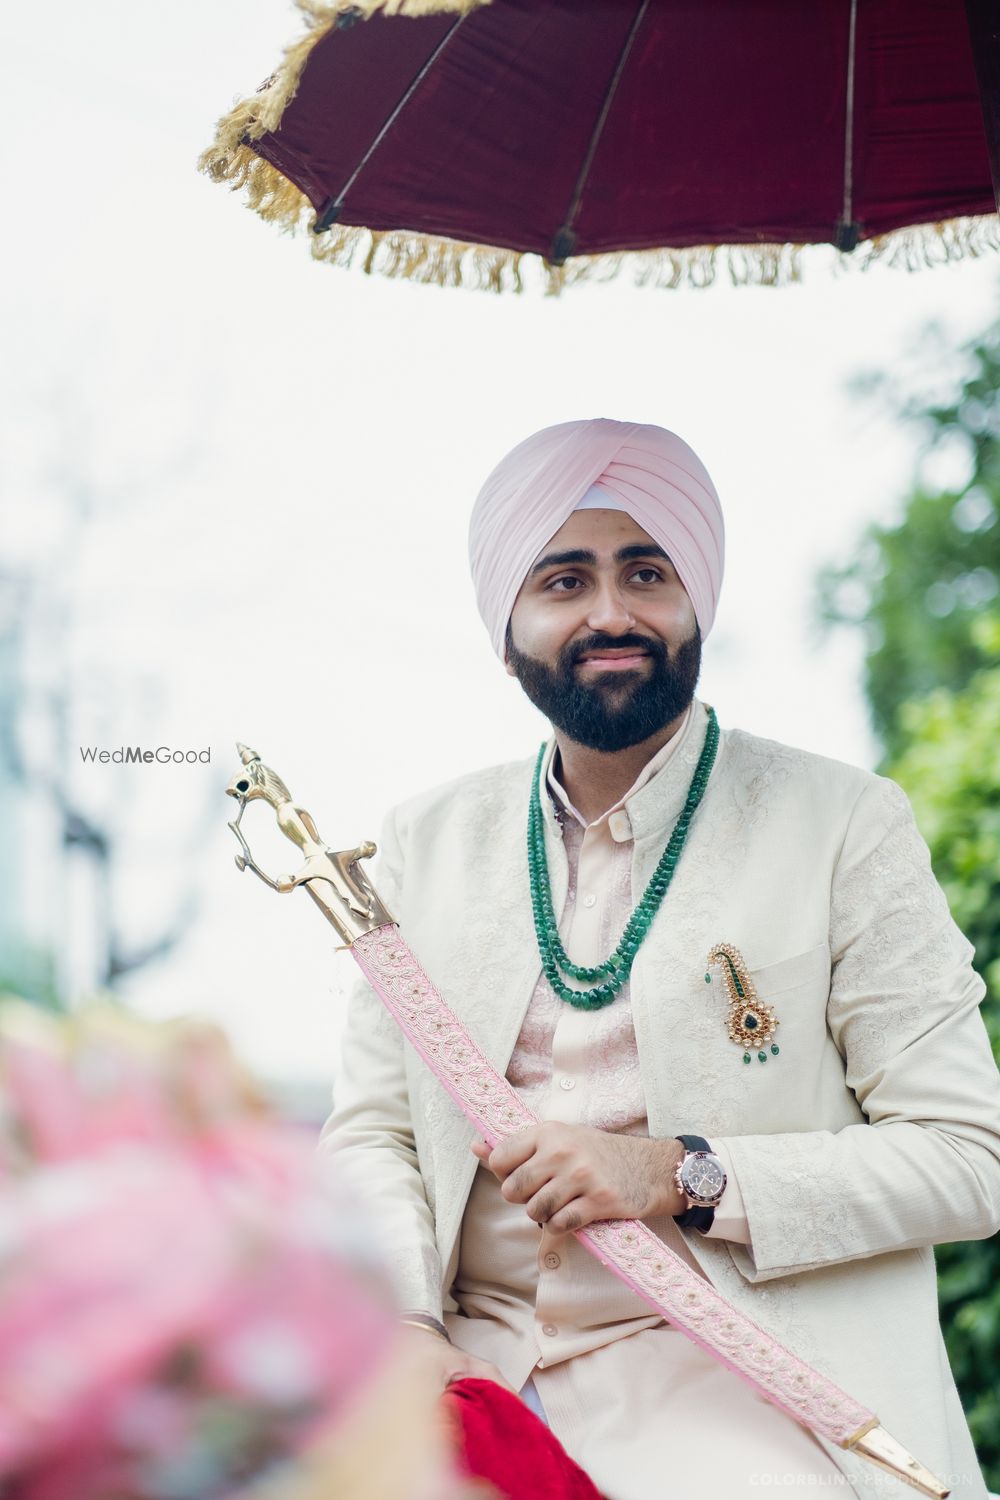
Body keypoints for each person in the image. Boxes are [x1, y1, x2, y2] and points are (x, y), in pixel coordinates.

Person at [321, 419, 1000, 1500]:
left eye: (646, 571)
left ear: (697, 605)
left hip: (742, 1381)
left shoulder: (841, 824)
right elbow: (375, 1130)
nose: (609, 613)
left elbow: (970, 1158)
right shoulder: (423, 841)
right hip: (470, 1363)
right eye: (562, 579)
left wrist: (676, 1172)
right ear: (505, 628)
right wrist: (404, 1323)